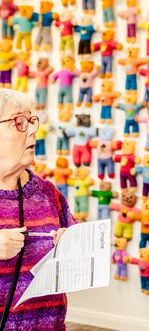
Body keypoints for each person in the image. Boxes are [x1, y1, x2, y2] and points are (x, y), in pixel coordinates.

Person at [0, 89, 76, 330]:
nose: (33, 130)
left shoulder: (47, 192)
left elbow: (80, 259)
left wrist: (72, 244)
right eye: (19, 122)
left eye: (32, 120)